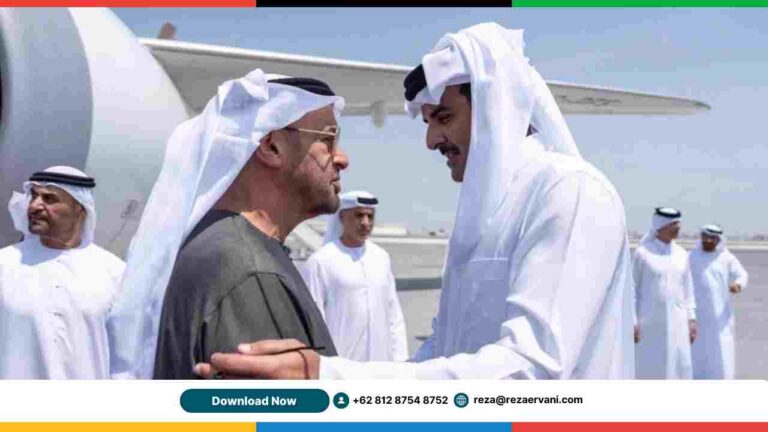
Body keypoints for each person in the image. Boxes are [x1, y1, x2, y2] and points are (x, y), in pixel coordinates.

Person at [194, 22, 634, 380]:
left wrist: (330, 380)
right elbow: (443, 352)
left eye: (443, 117)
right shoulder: (483, 218)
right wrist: (327, 382)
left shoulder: (567, 192)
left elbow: (534, 369)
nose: (431, 140)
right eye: (427, 122)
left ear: (495, 108)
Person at [106, 71, 348, 379]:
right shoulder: (247, 269)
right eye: (327, 141)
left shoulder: (223, 244)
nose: (342, 158)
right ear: (272, 147)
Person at [0, 166, 125, 379]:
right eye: (34, 196)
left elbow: (125, 358)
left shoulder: (115, 272)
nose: (35, 206)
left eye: (50, 199)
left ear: (80, 209)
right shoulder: (5, 264)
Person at [303, 190, 408, 361]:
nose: (366, 223)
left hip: (382, 367)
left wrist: (400, 360)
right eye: (359, 215)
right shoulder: (320, 261)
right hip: (340, 368)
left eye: (370, 216)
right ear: (342, 218)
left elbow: (393, 315)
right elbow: (313, 323)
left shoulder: (381, 258)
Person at [633, 207, 697, 379]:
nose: (678, 228)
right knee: (651, 363)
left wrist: (691, 318)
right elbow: (632, 290)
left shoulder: (682, 254)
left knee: (678, 363)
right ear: (661, 225)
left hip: (678, 320)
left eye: (679, 223)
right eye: (674, 224)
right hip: (649, 322)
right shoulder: (643, 253)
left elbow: (688, 289)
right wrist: (632, 320)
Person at [689, 224, 748, 379]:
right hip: (696, 315)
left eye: (712, 238)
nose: (708, 240)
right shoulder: (690, 256)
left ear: (718, 240)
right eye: (705, 236)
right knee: (697, 352)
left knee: (721, 350)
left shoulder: (726, 257)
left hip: (720, 316)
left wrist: (738, 285)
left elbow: (742, 275)